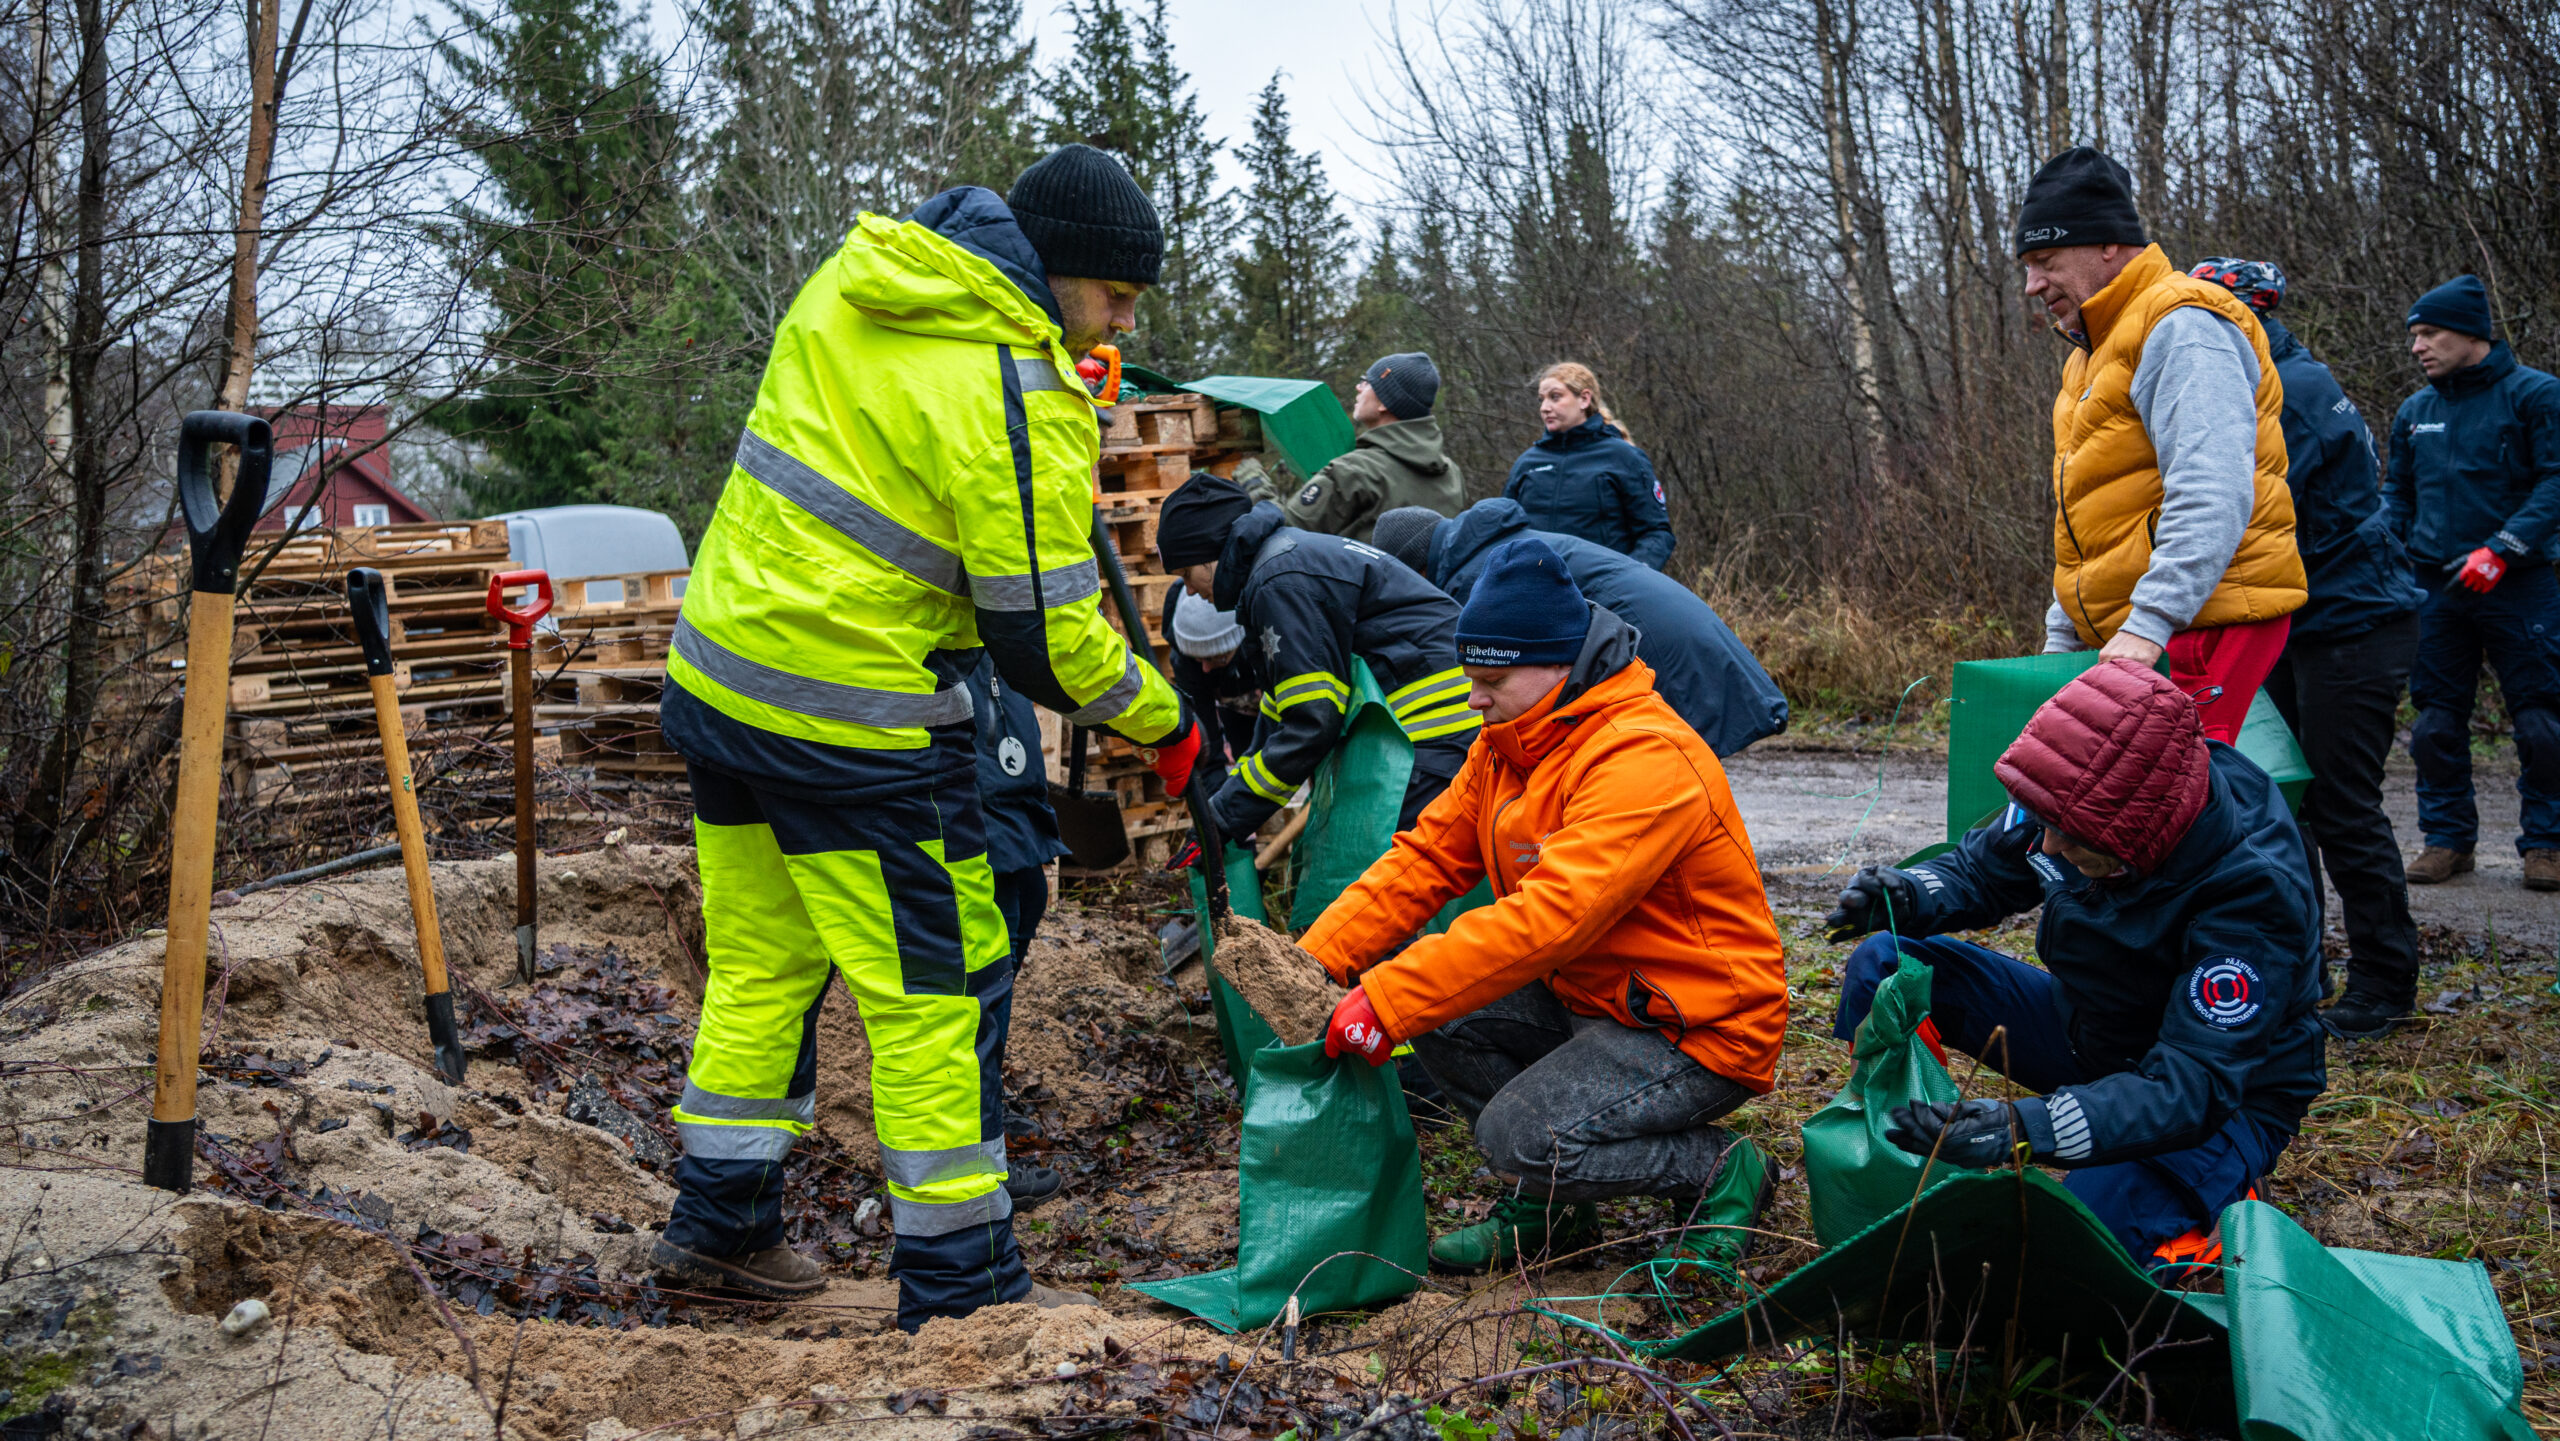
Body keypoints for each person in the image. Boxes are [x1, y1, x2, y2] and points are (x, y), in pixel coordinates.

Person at [652, 144, 1203, 1328]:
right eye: (1114, 297)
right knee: (931, 996)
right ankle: (966, 1290)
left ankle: (718, 1231)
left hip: (721, 679)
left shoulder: (852, 283)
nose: (1117, 321)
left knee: (761, 967)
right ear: (1060, 273)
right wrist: (1164, 721)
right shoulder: (1011, 384)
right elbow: (1044, 639)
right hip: (852, 719)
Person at [1299, 538, 1788, 1274]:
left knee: (1519, 1136)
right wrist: (1316, 961)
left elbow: (1552, 917)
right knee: (1442, 1012)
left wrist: (1388, 999)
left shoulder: (1643, 757)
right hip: (1594, 997)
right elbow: (1427, 858)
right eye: (1471, 676)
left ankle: (1720, 1169)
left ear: (1559, 666)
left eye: (1491, 678)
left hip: (1693, 1024)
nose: (1473, 697)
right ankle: (1552, 1215)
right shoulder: (1506, 745)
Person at [1824, 660, 2326, 1269]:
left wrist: (2024, 1126)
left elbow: (2192, 1084)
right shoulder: (2077, 799)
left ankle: (2215, 1206)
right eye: (2046, 825)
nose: (2048, 846)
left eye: (2070, 836)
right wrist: (1910, 894)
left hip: (2217, 1102)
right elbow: (1986, 869)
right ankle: (1898, 1158)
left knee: (2059, 1253)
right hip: (2091, 1030)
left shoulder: (2254, 892)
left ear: (2142, 834)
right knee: (1887, 966)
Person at [2188, 259, 2427, 1039]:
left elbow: (2238, 509)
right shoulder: (2272, 375)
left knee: (2340, 805)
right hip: (2297, 619)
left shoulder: (2287, 389)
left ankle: (2385, 985)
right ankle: (2300, 965)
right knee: (2283, 802)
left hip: (2354, 621)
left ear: (2246, 318)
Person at [2015, 147, 2305, 741]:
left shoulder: (2181, 325)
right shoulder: (2090, 353)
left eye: (2044, 260)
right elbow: (2093, 517)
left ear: (2107, 244)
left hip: (2203, 624)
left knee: (2174, 814)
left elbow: (2212, 488)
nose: (2032, 284)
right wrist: (2062, 635)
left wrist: (2151, 622)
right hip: (2154, 629)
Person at [1153, 471, 1479, 843]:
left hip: (1436, 731)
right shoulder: (1282, 561)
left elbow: (1310, 724)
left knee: (1400, 869)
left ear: (1211, 551)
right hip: (1445, 723)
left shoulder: (1278, 581)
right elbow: (1282, 714)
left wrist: (1223, 820)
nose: (1190, 591)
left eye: (1185, 572)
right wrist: (1223, 810)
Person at [2382, 274, 2560, 894]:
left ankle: (2547, 844)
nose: (2417, 347)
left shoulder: (2537, 395)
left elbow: (2555, 482)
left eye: (2429, 333)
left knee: (2542, 722)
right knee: (2433, 723)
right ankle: (2447, 840)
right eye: (2414, 336)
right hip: (2436, 588)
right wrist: (2389, 554)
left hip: (2521, 584)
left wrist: (2503, 549)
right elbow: (2396, 494)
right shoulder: (2415, 411)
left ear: (2472, 334)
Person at [1372, 499, 1788, 758]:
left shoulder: (1477, 576)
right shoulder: (1489, 551)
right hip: (1688, 639)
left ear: (1417, 567)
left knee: (1664, 777)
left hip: (1667, 652)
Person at [965, 654, 1063, 1209]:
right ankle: (982, 1156)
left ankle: (988, 1105)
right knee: (983, 972)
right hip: (975, 797)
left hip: (1012, 787)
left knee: (1030, 900)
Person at [1248, 352, 1464, 542]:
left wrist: (1255, 484)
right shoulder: (1452, 474)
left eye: (1367, 382)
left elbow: (1283, 535)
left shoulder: (1354, 470)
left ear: (1384, 403)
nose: (1358, 387)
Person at [1502, 362, 1674, 571]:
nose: (1544, 407)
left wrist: (1627, 577)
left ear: (1584, 399)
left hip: (1600, 593)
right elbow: (1505, 531)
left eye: (1555, 397)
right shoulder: (1527, 463)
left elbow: (1656, 534)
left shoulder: (1624, 458)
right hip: (1535, 589)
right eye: (1542, 399)